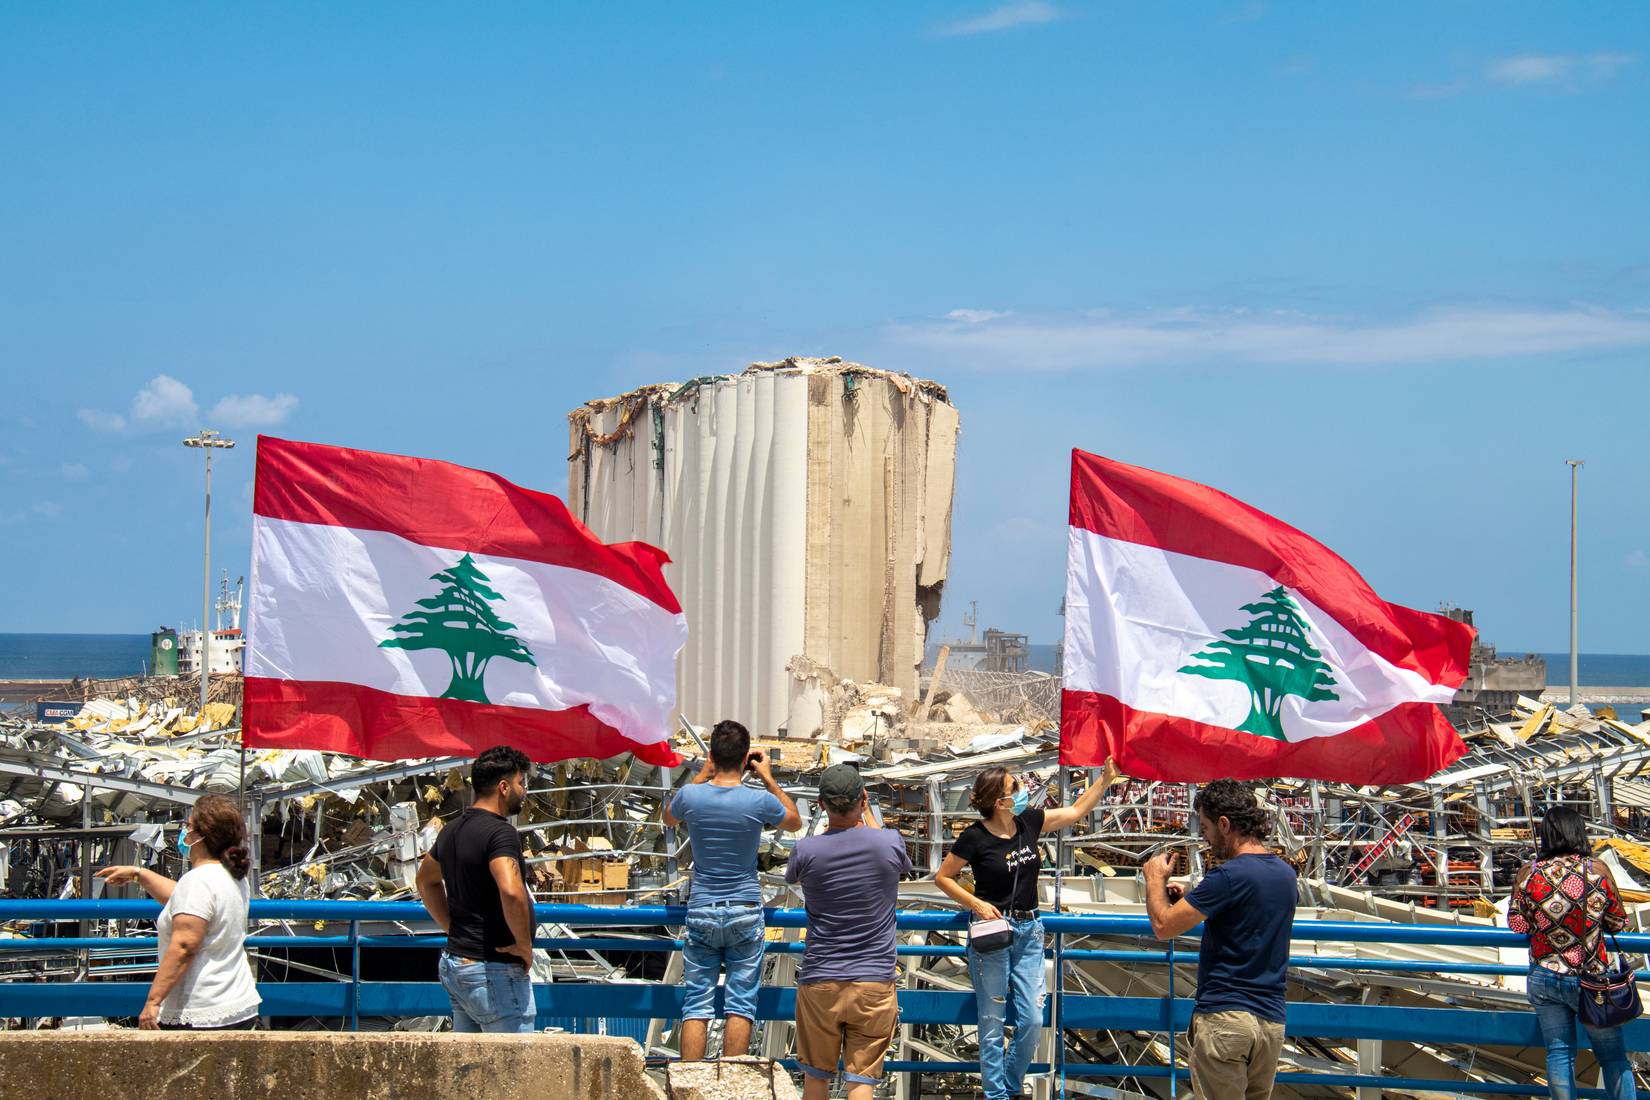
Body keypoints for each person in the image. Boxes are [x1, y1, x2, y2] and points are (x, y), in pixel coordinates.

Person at [935, 759, 1120, 1100]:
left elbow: (1076, 811)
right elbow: (943, 877)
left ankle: (1009, 1084)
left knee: (1033, 1019)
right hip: (992, 932)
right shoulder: (974, 837)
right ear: (997, 800)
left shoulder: (1030, 822)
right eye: (1012, 790)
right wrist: (975, 903)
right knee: (991, 1021)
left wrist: (1105, 780)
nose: (1019, 794)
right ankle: (998, 1095)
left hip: (1030, 929)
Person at [1142, 779, 1297, 1100]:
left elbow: (1163, 925)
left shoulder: (1228, 876)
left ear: (1225, 824)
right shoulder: (1285, 874)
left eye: (1207, 826)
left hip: (1226, 1017)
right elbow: (1247, 916)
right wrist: (1197, 900)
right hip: (1270, 1022)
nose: (1204, 836)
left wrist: (1154, 880)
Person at [663, 719, 803, 1060]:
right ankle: (733, 1087)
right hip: (744, 906)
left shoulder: (691, 796)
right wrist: (768, 777)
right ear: (745, 760)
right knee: (740, 1004)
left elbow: (669, 818)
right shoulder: (756, 802)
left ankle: (690, 1090)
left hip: (702, 909)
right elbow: (795, 820)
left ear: (712, 755)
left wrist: (702, 774)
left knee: (696, 1003)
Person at [785, 764, 910, 1100]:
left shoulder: (806, 851)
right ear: (863, 799)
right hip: (874, 981)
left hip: (821, 979)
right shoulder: (890, 843)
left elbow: (792, 877)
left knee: (815, 1078)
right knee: (861, 1081)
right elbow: (897, 860)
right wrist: (868, 815)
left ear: (821, 804)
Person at [95, 794, 261, 1030]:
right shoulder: (231, 877)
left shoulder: (198, 881)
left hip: (201, 1009)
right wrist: (138, 874)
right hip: (236, 1001)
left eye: (188, 825)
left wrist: (153, 1001)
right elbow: (185, 901)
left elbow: (184, 945)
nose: (184, 831)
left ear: (200, 836)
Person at [1509, 806, 1636, 1100]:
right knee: (1613, 1057)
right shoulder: (1596, 871)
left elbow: (1517, 924)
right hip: (1592, 981)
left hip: (1544, 975)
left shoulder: (1530, 873)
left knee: (1559, 1053)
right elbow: (1619, 922)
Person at [416, 744, 538, 1033]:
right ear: (504, 787)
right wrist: (524, 945)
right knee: (516, 1071)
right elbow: (511, 890)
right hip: (494, 971)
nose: (525, 791)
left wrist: (451, 927)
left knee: (472, 1071)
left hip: (458, 963)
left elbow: (425, 881)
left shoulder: (451, 830)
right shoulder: (501, 833)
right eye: (522, 783)